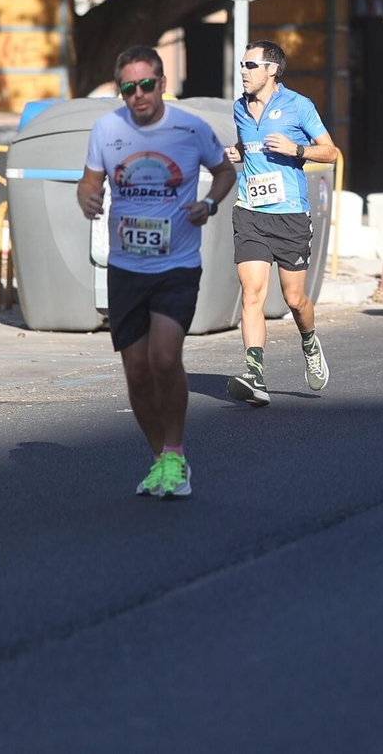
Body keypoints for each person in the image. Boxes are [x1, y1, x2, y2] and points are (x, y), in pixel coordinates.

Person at [78, 46, 237, 498]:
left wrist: (208, 203)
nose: (138, 94)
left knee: (164, 358)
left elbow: (224, 171)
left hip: (177, 264)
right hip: (126, 267)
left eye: (146, 84)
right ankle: (162, 459)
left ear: (163, 84)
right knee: (136, 372)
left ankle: (176, 451)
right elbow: (90, 180)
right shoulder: (107, 129)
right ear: (120, 90)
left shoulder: (190, 128)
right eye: (128, 87)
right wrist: (87, 197)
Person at [224, 40, 339, 406]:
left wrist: (297, 150)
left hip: (290, 215)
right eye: (242, 65)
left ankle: (309, 341)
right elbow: (251, 145)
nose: (243, 71)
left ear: (272, 70)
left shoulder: (298, 106)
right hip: (251, 212)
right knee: (252, 293)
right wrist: (238, 152)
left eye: (251, 65)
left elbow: (332, 152)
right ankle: (254, 374)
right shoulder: (239, 109)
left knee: (294, 298)